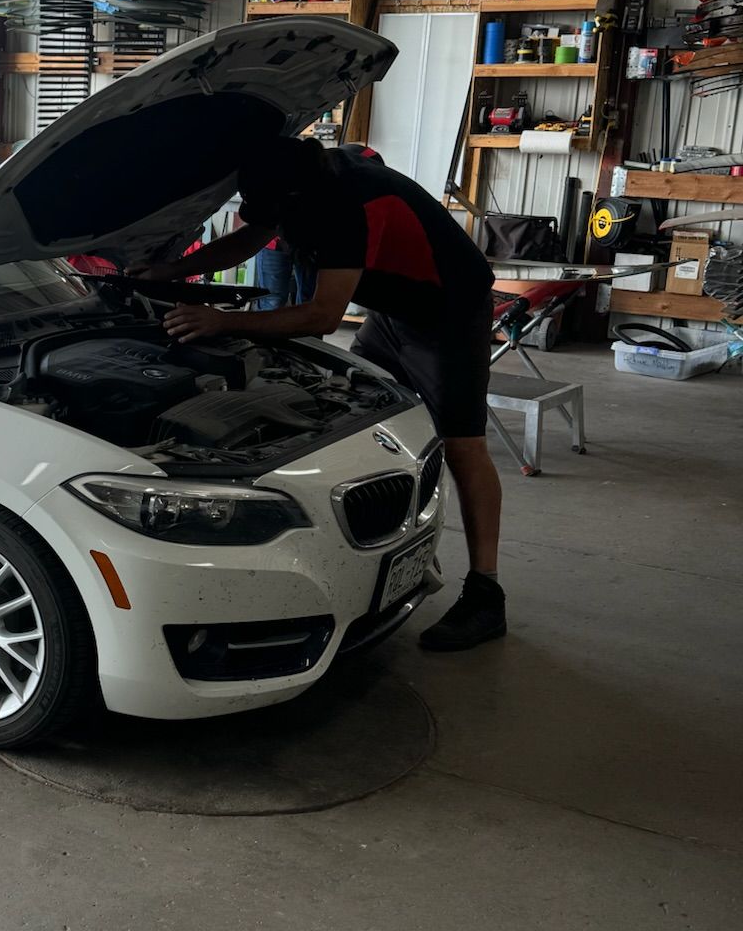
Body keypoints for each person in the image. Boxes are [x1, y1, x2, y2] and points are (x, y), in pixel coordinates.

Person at [144, 136, 506, 651]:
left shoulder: (345, 205)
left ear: (296, 197)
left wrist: (223, 321)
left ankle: (486, 595)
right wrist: (171, 271)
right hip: (392, 310)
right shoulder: (299, 176)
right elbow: (250, 239)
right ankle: (385, 548)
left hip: (448, 310)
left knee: (462, 444)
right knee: (367, 419)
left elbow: (321, 316)